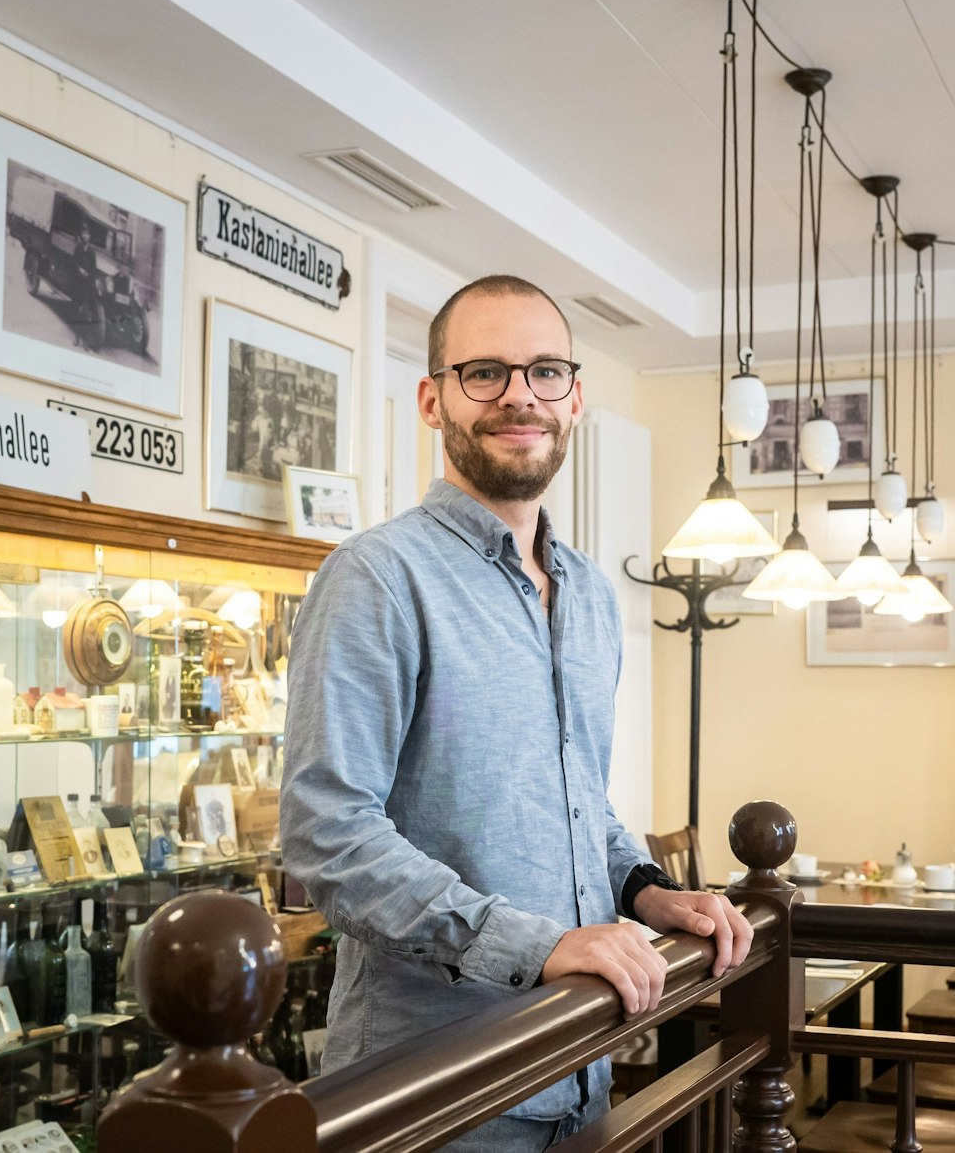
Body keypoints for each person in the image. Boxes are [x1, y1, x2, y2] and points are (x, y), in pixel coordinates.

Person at [282, 275, 752, 1151]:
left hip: (580, 1062)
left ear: (574, 397)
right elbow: (326, 835)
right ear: (433, 398)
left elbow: (578, 807)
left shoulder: (593, 597)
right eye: (484, 372)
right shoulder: (376, 578)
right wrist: (535, 946)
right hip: (434, 1091)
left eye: (543, 372)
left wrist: (647, 890)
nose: (517, 398)